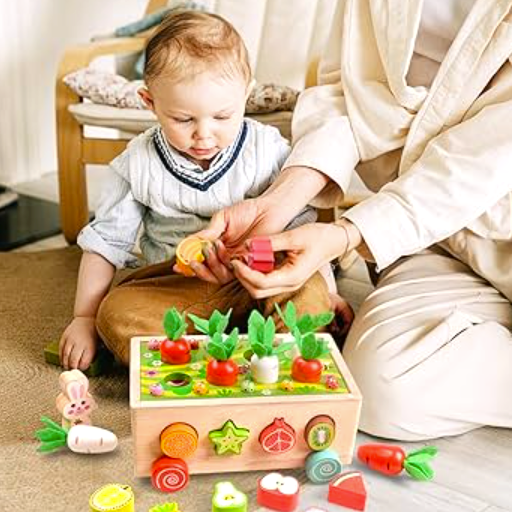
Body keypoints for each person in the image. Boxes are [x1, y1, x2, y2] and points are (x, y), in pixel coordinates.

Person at [195, 0, 512, 441]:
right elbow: (343, 92)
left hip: (490, 223)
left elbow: (482, 160)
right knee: (383, 389)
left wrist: (347, 235)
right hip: (439, 239)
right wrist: (280, 202)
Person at [59, 11, 352, 371]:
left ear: (246, 95)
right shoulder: (136, 164)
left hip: (263, 277)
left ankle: (264, 350)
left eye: (222, 116)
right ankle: (233, 352)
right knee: (116, 315)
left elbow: (301, 235)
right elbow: (105, 245)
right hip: (179, 286)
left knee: (307, 297)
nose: (204, 134)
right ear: (150, 103)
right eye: (183, 119)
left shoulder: (268, 149)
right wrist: (84, 318)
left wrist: (327, 289)